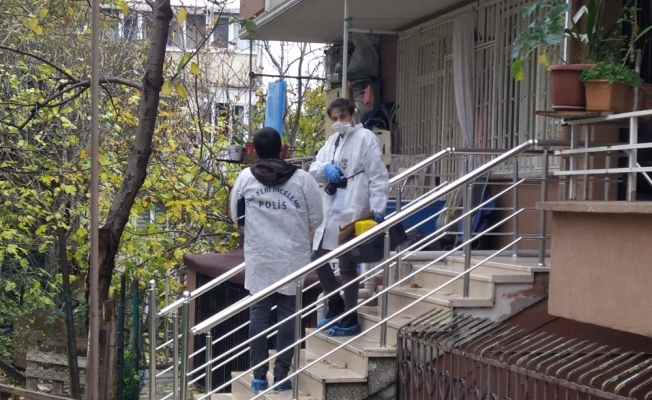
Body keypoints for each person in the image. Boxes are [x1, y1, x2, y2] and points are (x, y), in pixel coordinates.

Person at [230, 127, 323, 393]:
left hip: (260, 255)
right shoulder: (303, 179)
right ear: (282, 149)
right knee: (288, 316)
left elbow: (236, 216)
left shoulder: (245, 178)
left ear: (255, 151)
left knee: (259, 315)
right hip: (292, 255)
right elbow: (317, 217)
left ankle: (259, 377)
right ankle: (281, 376)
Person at [309, 98, 389, 337]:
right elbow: (314, 168)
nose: (339, 122)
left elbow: (378, 176)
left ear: (353, 115)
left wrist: (378, 208)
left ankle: (350, 315)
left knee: (346, 264)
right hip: (331, 208)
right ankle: (336, 303)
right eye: (334, 118)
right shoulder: (332, 141)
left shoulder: (365, 138)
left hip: (354, 207)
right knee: (318, 258)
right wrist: (325, 169)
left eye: (342, 117)